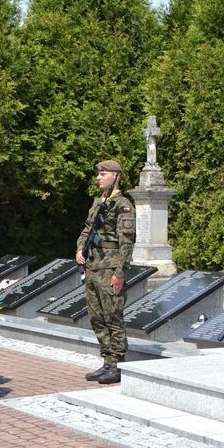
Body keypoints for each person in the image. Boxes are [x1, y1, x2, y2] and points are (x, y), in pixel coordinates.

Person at [76, 160, 135, 385]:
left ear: (116, 176)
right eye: (99, 174)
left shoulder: (123, 205)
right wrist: (80, 249)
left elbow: (127, 242)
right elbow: (86, 229)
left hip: (110, 268)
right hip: (93, 266)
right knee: (96, 317)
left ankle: (117, 364)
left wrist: (120, 273)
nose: (99, 177)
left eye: (103, 174)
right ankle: (107, 361)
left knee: (113, 316)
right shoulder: (98, 202)